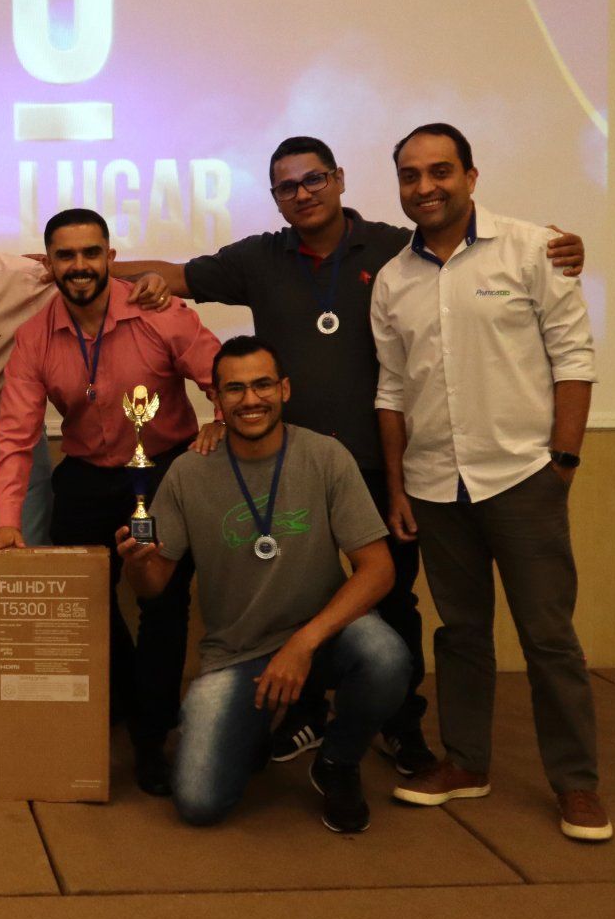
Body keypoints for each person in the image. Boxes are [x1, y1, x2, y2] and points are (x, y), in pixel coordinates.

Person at [134, 135, 584, 774]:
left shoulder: (398, 247)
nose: (303, 194)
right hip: (289, 469)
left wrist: (563, 248)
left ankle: (401, 726)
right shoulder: (259, 257)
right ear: (275, 199)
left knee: (394, 599)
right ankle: (312, 715)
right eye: (288, 186)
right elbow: (174, 274)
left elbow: (467, 245)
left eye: (314, 179)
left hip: (380, 464)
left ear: (340, 178)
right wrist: (66, 266)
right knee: (300, 593)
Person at [371, 123, 609, 842]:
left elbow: (573, 357)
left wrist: (562, 462)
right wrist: (397, 486)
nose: (425, 187)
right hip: (435, 485)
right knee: (462, 635)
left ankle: (577, 784)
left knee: (549, 638)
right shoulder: (392, 279)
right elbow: (391, 389)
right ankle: (466, 764)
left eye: (440, 171)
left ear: (471, 175)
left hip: (523, 477)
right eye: (410, 176)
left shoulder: (534, 248)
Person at [117, 336, 410, 833]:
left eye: (262, 385)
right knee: (197, 803)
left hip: (323, 636)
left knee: (386, 654)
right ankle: (258, 725)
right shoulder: (188, 472)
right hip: (238, 652)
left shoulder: (326, 456)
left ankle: (337, 761)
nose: (250, 399)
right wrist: (138, 564)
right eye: (234, 389)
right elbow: (153, 586)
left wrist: (303, 643)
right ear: (216, 400)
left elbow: (379, 569)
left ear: (285, 389)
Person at [0, 208, 221, 795]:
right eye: (66, 255)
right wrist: (7, 522)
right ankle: (129, 700)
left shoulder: (160, 313)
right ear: (50, 264)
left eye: (91, 253)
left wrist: (221, 425)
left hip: (161, 475)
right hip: (86, 476)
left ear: (111, 257)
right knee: (84, 605)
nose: (79, 266)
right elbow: (14, 434)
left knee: (162, 605)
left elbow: (223, 372)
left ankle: (150, 737)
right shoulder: (36, 337)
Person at [0, 192, 170, 548]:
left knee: (30, 543)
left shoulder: (18, 277)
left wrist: (146, 276)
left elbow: (85, 273)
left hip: (15, 434)